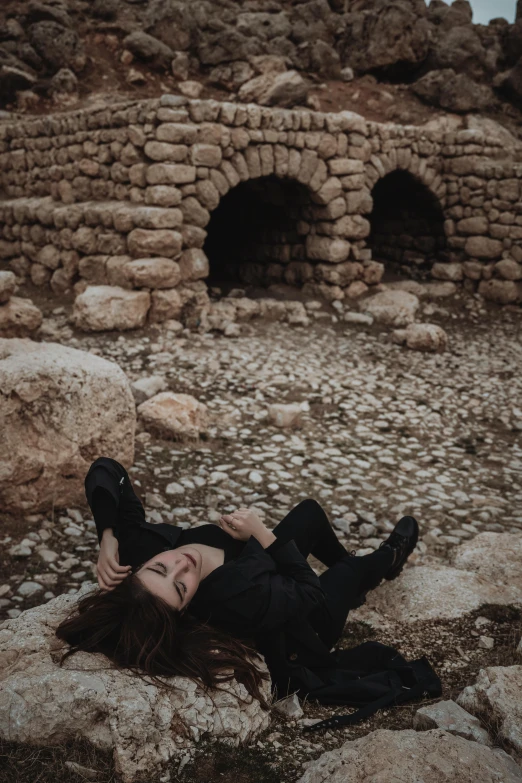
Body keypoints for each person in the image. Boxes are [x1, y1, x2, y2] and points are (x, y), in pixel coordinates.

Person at [55, 457, 440, 730]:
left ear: (139, 567)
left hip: (268, 570)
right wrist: (261, 532)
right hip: (308, 619)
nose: (182, 564)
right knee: (347, 572)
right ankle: (389, 559)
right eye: (180, 586)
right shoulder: (238, 596)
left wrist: (107, 536)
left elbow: (108, 470)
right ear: (187, 606)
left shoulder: (137, 547)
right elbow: (307, 591)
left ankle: (354, 579)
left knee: (308, 512)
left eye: (160, 567)